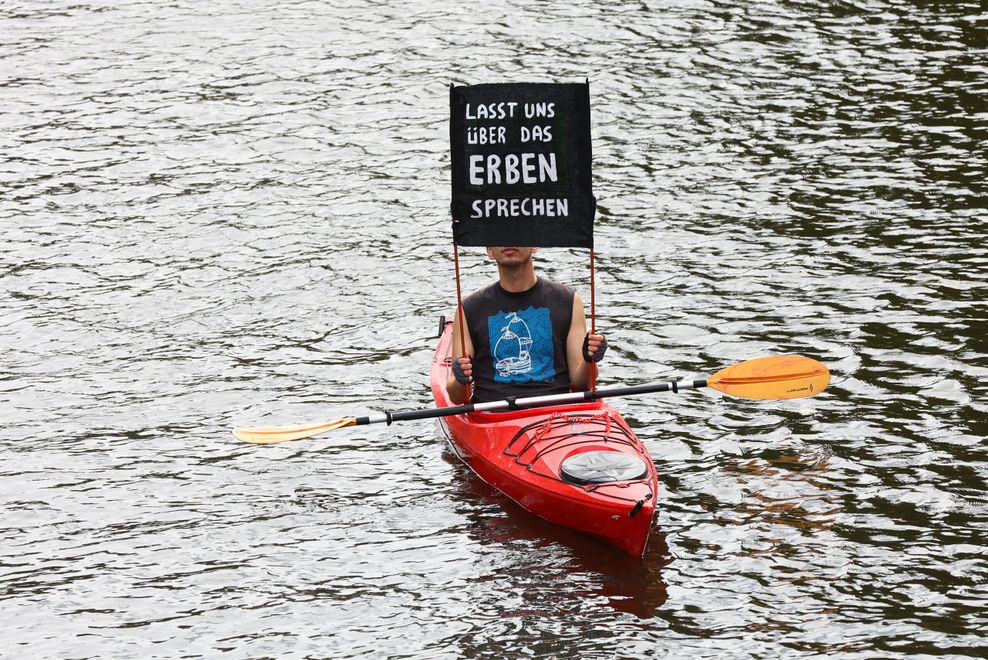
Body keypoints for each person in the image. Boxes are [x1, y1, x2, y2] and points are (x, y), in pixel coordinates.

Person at [446, 246, 607, 404]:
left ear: (535, 246)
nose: (508, 240)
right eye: (499, 236)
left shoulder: (569, 301)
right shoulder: (468, 309)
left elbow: (582, 384)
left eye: (518, 233)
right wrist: (461, 379)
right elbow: (457, 397)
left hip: (556, 415)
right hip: (492, 418)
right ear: (489, 250)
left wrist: (589, 359)